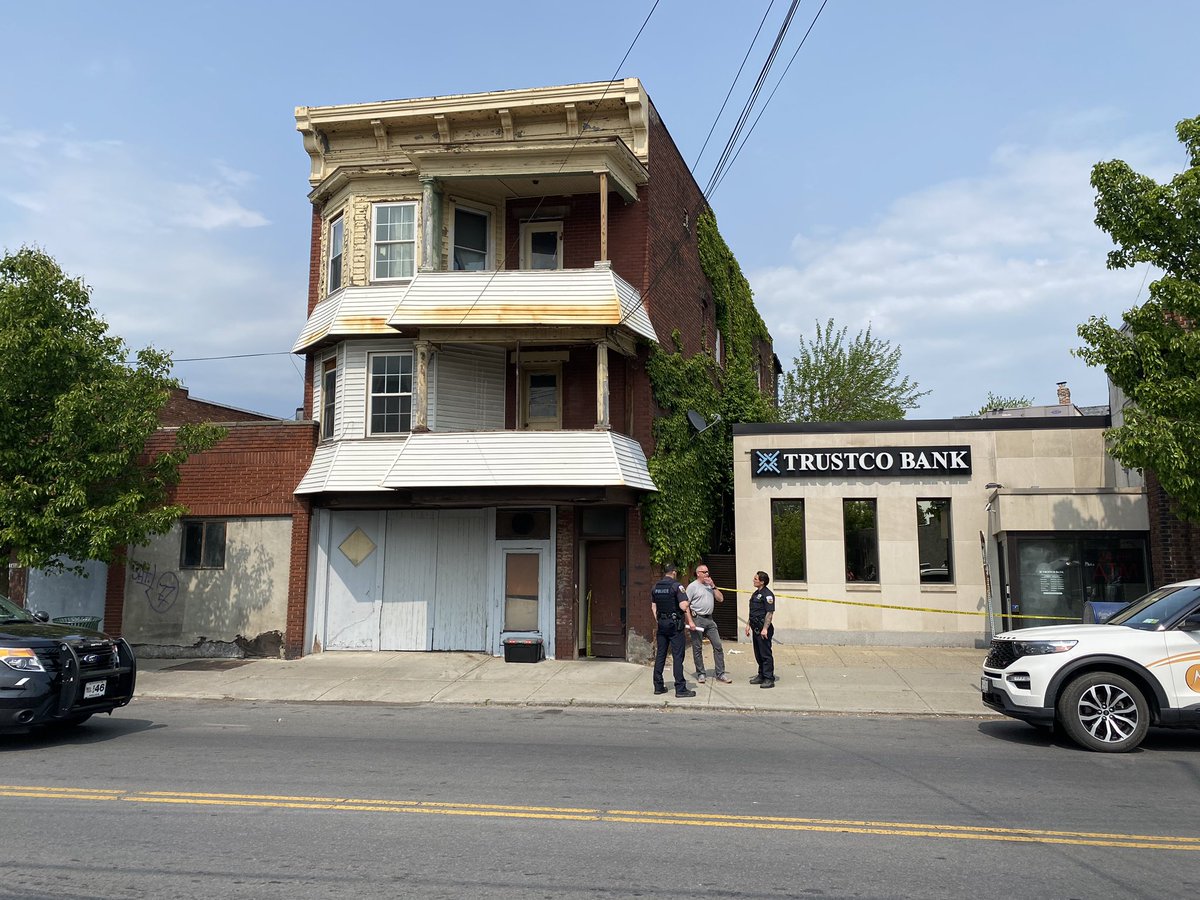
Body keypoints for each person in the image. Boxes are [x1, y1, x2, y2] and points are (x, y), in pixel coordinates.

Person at [651, 563, 697, 698]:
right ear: (674, 572)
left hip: (662, 624)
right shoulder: (677, 586)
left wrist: (659, 620)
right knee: (678, 656)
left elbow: (653, 607)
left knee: (660, 655)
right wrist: (688, 602)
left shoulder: (656, 587)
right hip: (675, 625)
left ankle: (658, 686)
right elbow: (683, 606)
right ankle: (680, 688)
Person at [686, 563, 731, 684]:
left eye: (708, 572)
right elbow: (686, 606)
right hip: (697, 619)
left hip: (710, 619)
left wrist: (713, 586)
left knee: (718, 646)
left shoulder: (710, 586)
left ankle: (720, 673)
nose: (707, 574)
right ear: (698, 573)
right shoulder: (692, 587)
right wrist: (690, 621)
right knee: (697, 647)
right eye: (704, 572)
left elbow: (721, 599)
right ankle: (701, 673)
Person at [745, 570, 776, 688]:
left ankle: (769, 678)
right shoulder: (755, 594)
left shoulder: (767, 595)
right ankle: (761, 675)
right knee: (758, 653)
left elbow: (769, 613)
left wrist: (765, 629)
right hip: (755, 627)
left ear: (762, 582)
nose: (753, 580)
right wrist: (748, 625)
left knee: (765, 654)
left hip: (763, 628)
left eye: (756, 579)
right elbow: (753, 611)